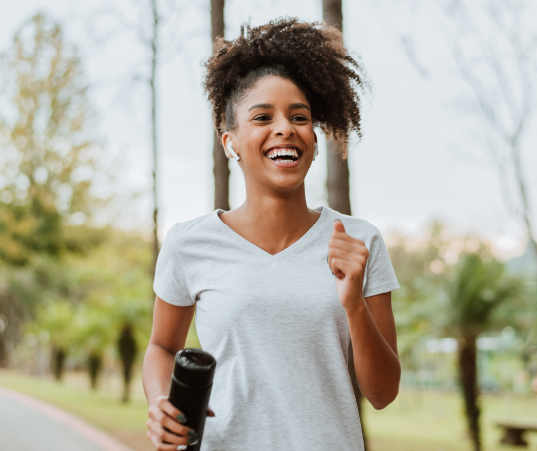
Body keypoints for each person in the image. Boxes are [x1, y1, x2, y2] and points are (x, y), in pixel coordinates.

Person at [142, 17, 401, 451]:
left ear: (314, 143)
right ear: (231, 143)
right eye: (262, 116)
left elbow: (383, 393)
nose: (284, 128)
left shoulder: (360, 242)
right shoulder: (189, 244)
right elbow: (161, 346)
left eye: (299, 117)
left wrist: (354, 304)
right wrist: (161, 401)